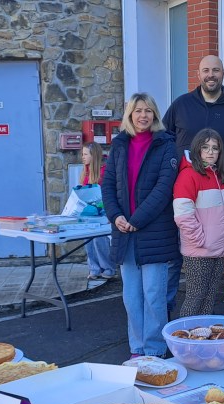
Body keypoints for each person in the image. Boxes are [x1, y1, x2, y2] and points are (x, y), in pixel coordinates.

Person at [163, 55, 224, 317]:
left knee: (208, 292)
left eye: (215, 70)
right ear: (198, 74)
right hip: (183, 192)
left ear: (223, 73)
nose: (210, 75)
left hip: (218, 188)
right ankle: (173, 327)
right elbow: (164, 139)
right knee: (178, 270)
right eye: (205, 70)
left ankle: (201, 332)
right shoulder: (181, 105)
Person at [101, 93, 179, 358]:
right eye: (138, 111)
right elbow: (108, 185)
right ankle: (137, 349)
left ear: (154, 114)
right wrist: (116, 216)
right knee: (131, 296)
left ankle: (154, 350)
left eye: (148, 110)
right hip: (125, 233)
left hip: (154, 233)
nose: (143, 115)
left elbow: (163, 189)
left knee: (154, 295)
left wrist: (137, 220)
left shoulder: (166, 145)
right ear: (130, 115)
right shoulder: (119, 145)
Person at [173, 129, 224, 317]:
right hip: (199, 250)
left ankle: (203, 333)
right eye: (205, 147)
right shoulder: (188, 175)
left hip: (220, 249)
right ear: (197, 149)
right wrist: (199, 240)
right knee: (195, 298)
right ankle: (186, 334)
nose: (210, 152)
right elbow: (183, 215)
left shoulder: (220, 177)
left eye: (215, 148)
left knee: (209, 298)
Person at [80, 142, 115, 280]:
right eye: (82, 154)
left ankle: (108, 268)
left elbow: (111, 192)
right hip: (89, 211)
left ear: (93, 155)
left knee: (100, 239)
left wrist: (111, 213)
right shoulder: (86, 170)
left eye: (85, 154)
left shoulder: (105, 171)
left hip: (103, 212)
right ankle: (94, 268)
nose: (82, 157)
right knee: (88, 240)